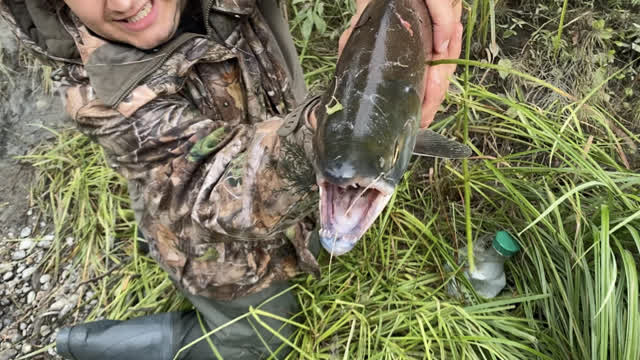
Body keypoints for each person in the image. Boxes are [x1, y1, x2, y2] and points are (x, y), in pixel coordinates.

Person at [0, 0, 462, 358]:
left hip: (297, 187)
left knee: (313, 235)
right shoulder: (100, 97)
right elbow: (219, 185)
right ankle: (76, 342)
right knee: (255, 340)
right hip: (207, 228)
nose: (125, 2)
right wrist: (324, 135)